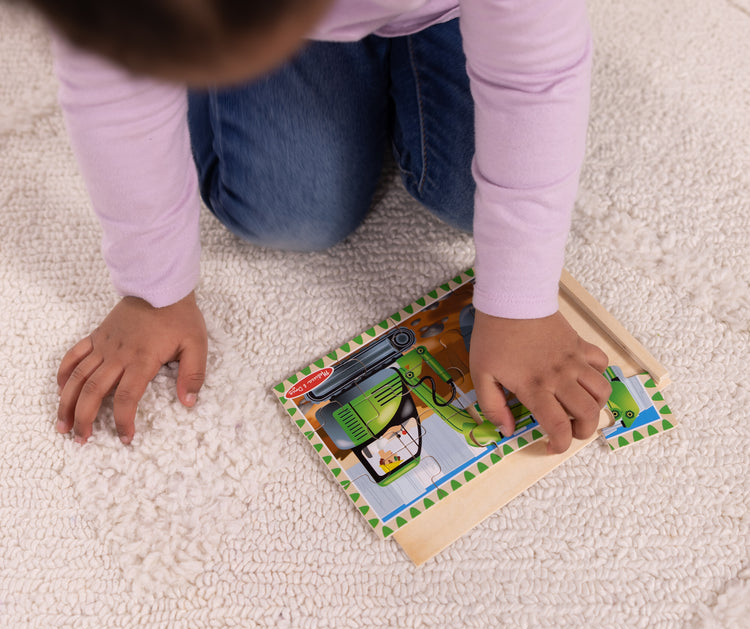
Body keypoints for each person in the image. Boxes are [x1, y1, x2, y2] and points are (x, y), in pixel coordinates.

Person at [20, 0, 611, 451]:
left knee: (472, 198)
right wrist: (153, 290)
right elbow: (114, 88)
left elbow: (537, 81)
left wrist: (521, 304)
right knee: (287, 213)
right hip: (296, 29)